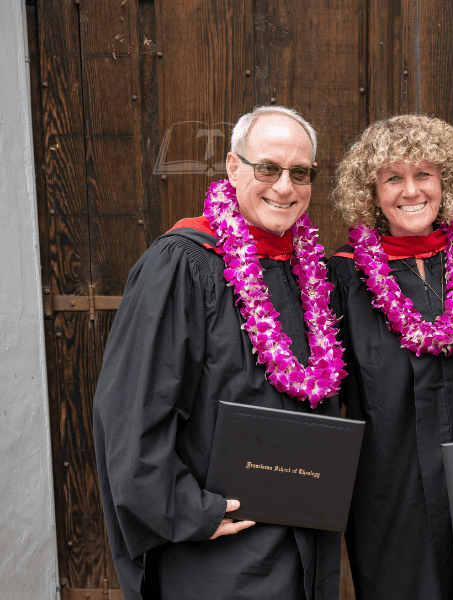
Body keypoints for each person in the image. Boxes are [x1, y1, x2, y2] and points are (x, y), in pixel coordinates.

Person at [93, 106, 345, 600]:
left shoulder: (307, 274)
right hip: (219, 548)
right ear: (233, 167)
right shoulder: (183, 264)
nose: (284, 187)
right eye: (268, 168)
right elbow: (129, 411)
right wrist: (189, 511)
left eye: (301, 173)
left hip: (299, 545)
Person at [328, 114, 453, 600]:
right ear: (371, 192)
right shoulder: (343, 277)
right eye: (393, 177)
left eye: (424, 174)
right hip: (388, 483)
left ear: (446, 182)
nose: (410, 190)